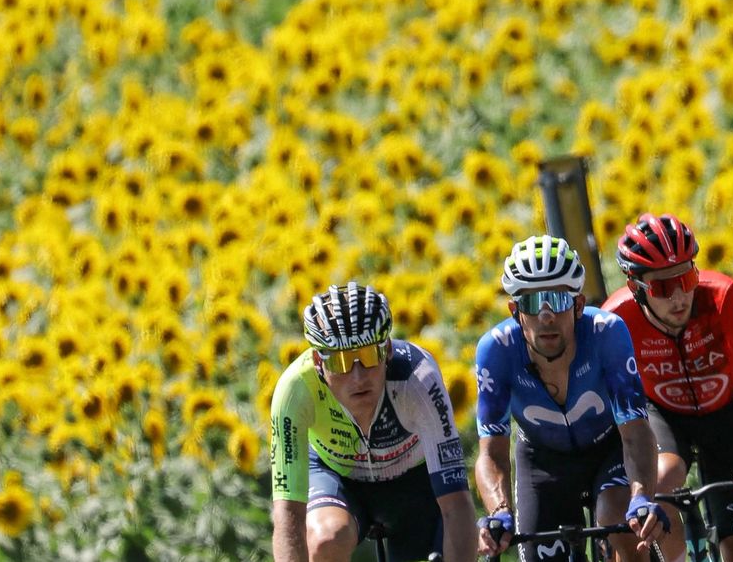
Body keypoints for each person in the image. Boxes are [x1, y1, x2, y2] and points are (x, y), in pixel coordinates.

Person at [601, 213, 733, 561]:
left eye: (685, 278)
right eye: (662, 287)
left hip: (728, 415)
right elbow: (619, 418)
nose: (678, 296)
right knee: (663, 479)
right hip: (665, 417)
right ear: (635, 286)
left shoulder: (726, 296)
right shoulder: (616, 319)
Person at [474, 235, 667, 561]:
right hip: (542, 461)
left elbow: (635, 432)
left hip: (610, 450)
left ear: (578, 305)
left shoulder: (607, 333)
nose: (546, 317)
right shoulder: (496, 351)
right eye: (534, 303)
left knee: (620, 520)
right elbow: (491, 454)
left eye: (558, 301)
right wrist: (500, 510)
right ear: (515, 311)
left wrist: (641, 498)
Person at [269, 283, 476, 562]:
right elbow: (288, 514)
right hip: (337, 477)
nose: (358, 377)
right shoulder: (295, 389)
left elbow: (456, 504)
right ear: (319, 361)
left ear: (387, 350)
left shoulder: (417, 379)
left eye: (367, 356)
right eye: (341, 361)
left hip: (413, 482)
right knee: (326, 539)